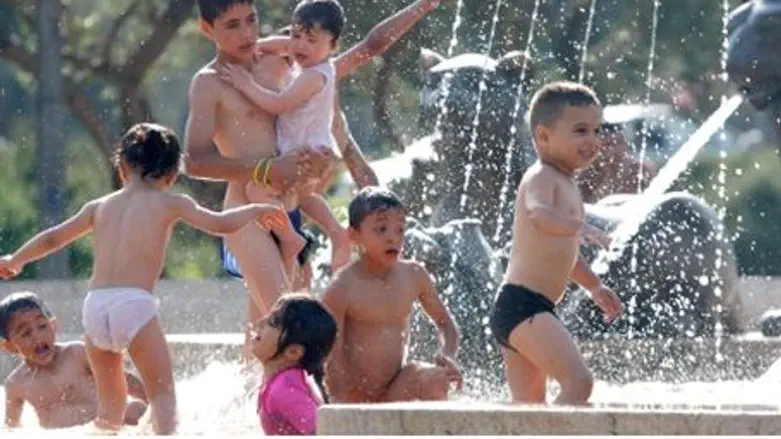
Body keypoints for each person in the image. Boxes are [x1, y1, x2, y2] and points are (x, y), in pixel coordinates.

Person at [186, 0, 445, 356]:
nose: (247, 33)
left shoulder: (289, 56)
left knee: (262, 339)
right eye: (232, 26)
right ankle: (309, 407)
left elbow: (367, 49)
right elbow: (194, 162)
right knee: (291, 323)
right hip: (248, 209)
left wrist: (423, 6)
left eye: (252, 20)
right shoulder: (210, 82)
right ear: (206, 29)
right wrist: (266, 169)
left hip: (289, 206)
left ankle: (257, 404)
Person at [0, 123, 287, 434]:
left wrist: (16, 259)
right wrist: (256, 209)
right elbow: (220, 224)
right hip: (133, 304)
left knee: (110, 410)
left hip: (95, 307)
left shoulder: (100, 206)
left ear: (122, 166)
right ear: (173, 174)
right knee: (162, 396)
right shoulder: (172, 202)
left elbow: (54, 238)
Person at [489, 81, 624, 405]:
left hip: (525, 308)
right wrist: (580, 226)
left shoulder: (566, 182)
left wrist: (593, 286)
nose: (592, 140)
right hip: (523, 306)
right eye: (580, 130)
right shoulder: (541, 177)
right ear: (544, 136)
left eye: (596, 130)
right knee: (579, 383)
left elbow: (562, 255)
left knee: (529, 407)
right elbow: (539, 214)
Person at [217, 0, 356, 274]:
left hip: (302, 154)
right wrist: (257, 47)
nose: (300, 45)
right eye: (296, 35)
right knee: (304, 199)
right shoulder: (313, 63)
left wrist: (246, 84)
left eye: (311, 39)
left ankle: (289, 238)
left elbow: (278, 104)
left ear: (334, 45)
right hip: (311, 150)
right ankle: (337, 233)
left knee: (255, 189)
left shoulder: (314, 77)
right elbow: (278, 44)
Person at [322, 187, 463, 403]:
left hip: (396, 387)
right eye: (381, 229)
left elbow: (446, 323)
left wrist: (448, 356)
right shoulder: (343, 287)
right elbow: (332, 356)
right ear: (354, 235)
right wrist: (346, 404)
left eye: (400, 230)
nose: (392, 238)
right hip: (352, 392)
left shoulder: (413, 275)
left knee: (436, 378)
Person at [1, 292, 147, 429]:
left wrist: (153, 402)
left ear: (53, 326)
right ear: (9, 346)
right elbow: (12, 427)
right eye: (26, 333)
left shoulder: (77, 354)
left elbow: (122, 378)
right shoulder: (16, 383)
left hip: (102, 428)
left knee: (135, 409)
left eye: (42, 326)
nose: (38, 336)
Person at [250, 294, 336, 435]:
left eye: (273, 322)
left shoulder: (284, 390)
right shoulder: (283, 382)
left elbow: (323, 433)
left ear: (293, 352)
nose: (261, 322)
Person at [577, 122, 657, 203]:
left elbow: (652, 202)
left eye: (617, 143)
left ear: (625, 144)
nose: (612, 150)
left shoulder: (640, 170)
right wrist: (608, 178)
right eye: (607, 145)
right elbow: (588, 208)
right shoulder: (586, 175)